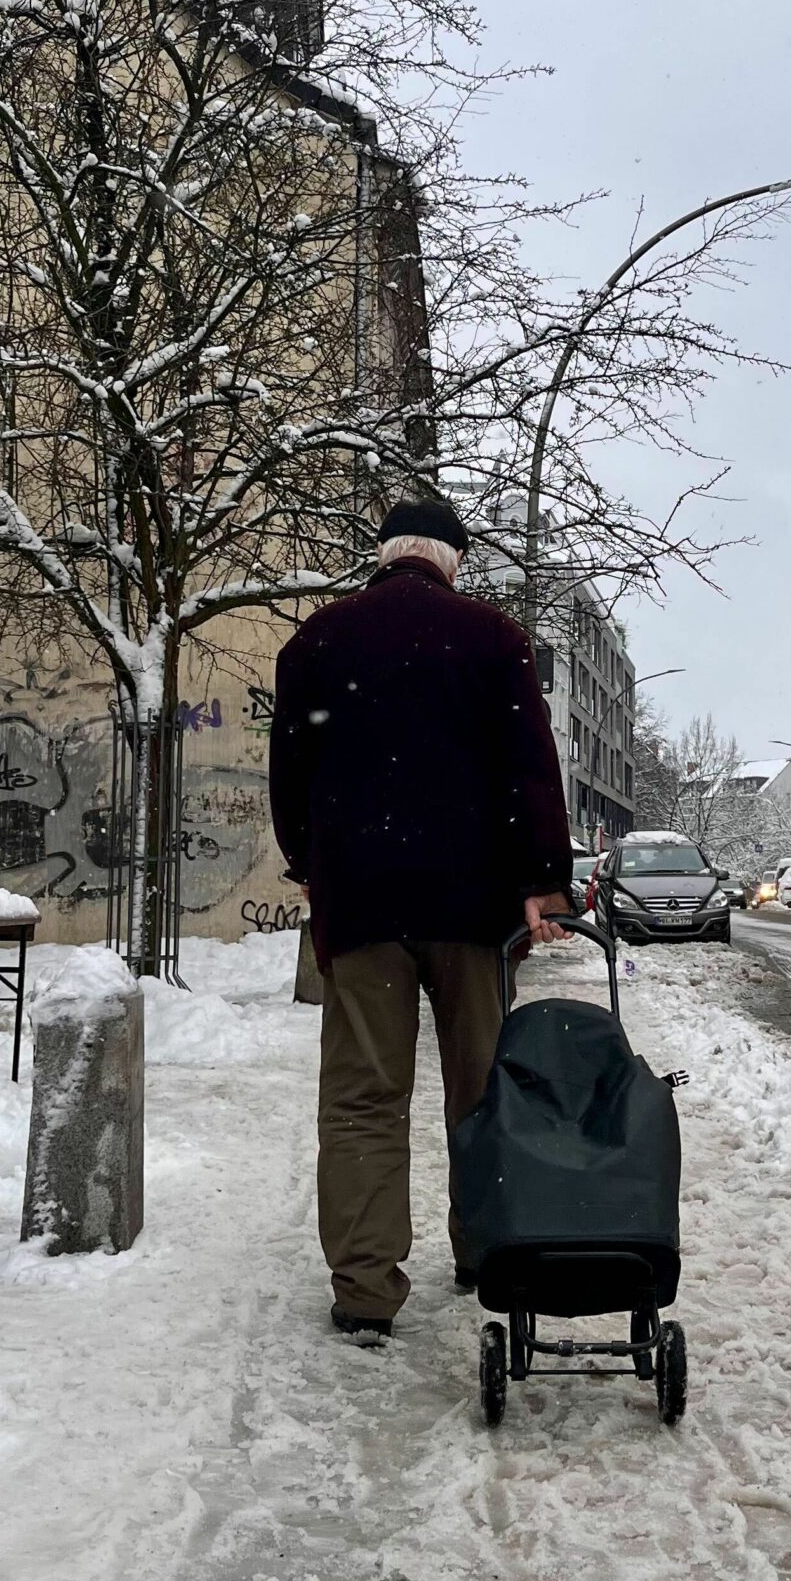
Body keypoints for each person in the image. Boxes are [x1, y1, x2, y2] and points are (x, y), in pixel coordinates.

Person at [268, 496, 574, 1344]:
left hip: (362, 903)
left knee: (365, 1095)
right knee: (480, 1086)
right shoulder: (492, 639)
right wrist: (541, 879)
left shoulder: (316, 641)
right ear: (452, 560)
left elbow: (289, 775)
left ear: (384, 553)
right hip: (470, 906)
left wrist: (311, 864)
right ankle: (484, 1247)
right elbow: (530, 768)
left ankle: (366, 1289)